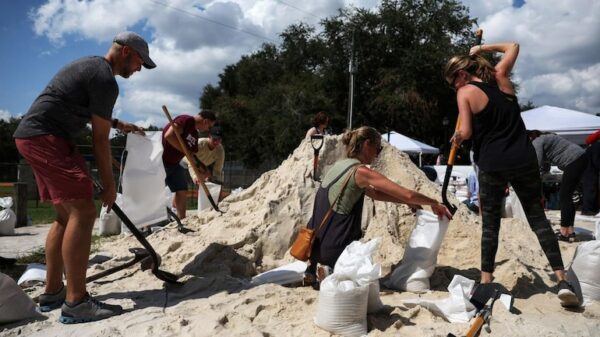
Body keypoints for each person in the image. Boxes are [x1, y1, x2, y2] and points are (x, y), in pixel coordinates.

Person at [13, 31, 154, 323]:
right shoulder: (105, 79)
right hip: (46, 138)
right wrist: (111, 185)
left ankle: (53, 292)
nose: (140, 68)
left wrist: (118, 123)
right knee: (85, 210)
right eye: (141, 61)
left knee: (65, 216)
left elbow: (81, 109)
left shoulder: (91, 67)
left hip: (37, 136)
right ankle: (76, 302)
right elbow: (100, 140)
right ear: (127, 51)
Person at [444, 41, 579, 307]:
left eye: (452, 83)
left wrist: (457, 138)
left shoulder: (466, 92)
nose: (454, 89)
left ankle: (484, 283)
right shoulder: (500, 78)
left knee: (491, 225)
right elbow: (513, 46)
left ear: (461, 74)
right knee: (538, 220)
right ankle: (562, 280)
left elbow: (468, 132)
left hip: (493, 163)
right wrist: (481, 49)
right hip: (523, 158)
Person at [303, 126, 452, 285]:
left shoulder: (339, 167)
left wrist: (407, 202)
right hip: (334, 248)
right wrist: (434, 202)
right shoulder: (361, 172)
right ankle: (331, 270)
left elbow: (375, 194)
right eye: (378, 148)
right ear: (367, 144)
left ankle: (315, 268)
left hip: (314, 247)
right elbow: (407, 193)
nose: (378, 155)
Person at [527, 130, 587, 241]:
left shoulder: (537, 141)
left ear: (529, 137)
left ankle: (564, 233)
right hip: (581, 157)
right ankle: (570, 231)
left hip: (573, 160)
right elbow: (545, 167)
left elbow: (536, 163)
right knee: (567, 197)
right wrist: (540, 174)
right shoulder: (545, 139)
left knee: (564, 197)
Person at [162, 109, 216, 219]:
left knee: (182, 189)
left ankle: (182, 220)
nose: (208, 130)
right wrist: (184, 149)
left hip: (175, 164)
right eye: (209, 127)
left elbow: (191, 154)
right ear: (205, 121)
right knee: (154, 192)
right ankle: (146, 226)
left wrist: (201, 167)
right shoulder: (186, 120)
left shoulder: (195, 135)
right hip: (161, 163)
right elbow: (169, 136)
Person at [581, 131, 600, 216]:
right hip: (590, 171)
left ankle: (590, 209)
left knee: (590, 189)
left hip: (587, 170)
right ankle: (588, 209)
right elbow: (596, 161)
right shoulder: (597, 146)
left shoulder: (592, 146)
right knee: (591, 190)